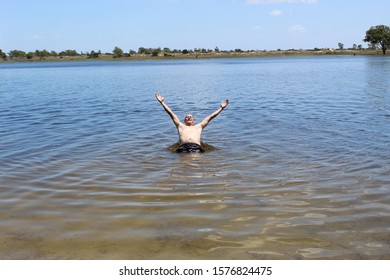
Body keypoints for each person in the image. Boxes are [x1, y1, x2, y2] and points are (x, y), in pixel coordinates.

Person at [155, 92, 229, 153]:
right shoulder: (180, 126)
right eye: (187, 117)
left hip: (196, 147)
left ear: (194, 121)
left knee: (195, 165)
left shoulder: (199, 126)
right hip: (182, 148)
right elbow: (171, 113)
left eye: (191, 117)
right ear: (184, 121)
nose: (189, 117)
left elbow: (210, 117)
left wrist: (221, 108)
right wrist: (162, 102)